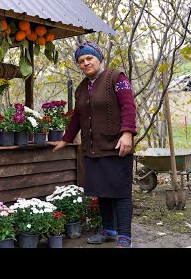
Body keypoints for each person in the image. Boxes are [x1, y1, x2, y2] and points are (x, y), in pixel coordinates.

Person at [48, 41, 137, 248]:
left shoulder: (116, 78)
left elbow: (128, 106)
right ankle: (109, 230)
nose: (86, 63)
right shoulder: (81, 88)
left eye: (89, 58)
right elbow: (77, 118)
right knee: (102, 191)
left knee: (121, 191)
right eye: (81, 61)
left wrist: (127, 134)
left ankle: (124, 236)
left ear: (98, 58)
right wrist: (65, 139)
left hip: (116, 146)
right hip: (93, 148)